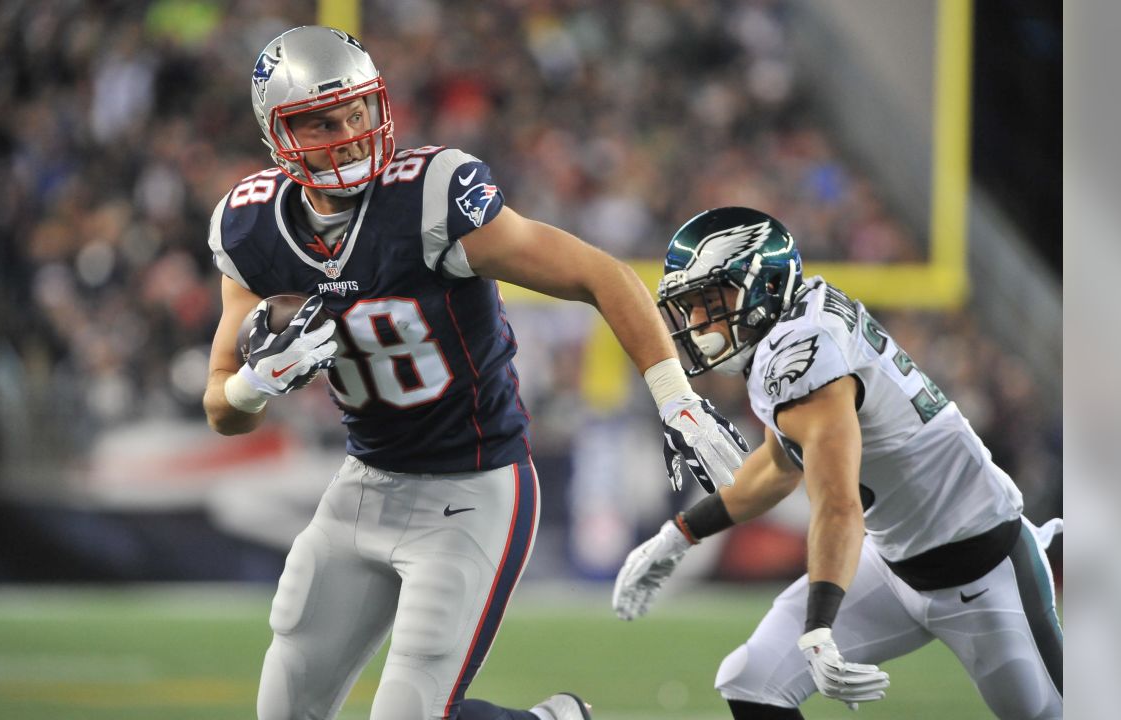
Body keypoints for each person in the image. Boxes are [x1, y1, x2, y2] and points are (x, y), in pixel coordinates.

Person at [201, 26, 749, 720]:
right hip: (364, 486)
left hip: (474, 486)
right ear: (276, 134)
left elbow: (600, 275)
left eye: (357, 111)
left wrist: (678, 401)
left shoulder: (430, 197)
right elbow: (221, 407)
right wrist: (260, 381)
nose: (345, 133)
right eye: (318, 120)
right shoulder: (250, 229)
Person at [612, 207, 1063, 719]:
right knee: (752, 681)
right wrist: (678, 535)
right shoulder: (789, 334)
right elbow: (778, 467)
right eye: (690, 307)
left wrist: (820, 628)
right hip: (893, 563)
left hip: (982, 568)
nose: (699, 325)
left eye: (710, 303)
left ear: (764, 286)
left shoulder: (804, 356)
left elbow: (838, 505)